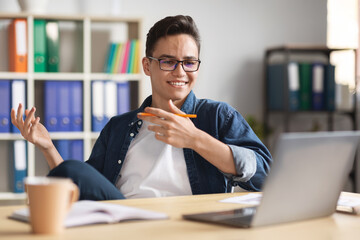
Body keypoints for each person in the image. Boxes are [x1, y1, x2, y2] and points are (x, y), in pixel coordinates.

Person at [11, 15, 272, 200]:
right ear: (147, 65)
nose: (180, 72)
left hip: (193, 225)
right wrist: (47, 146)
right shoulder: (119, 127)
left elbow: (265, 175)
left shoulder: (216, 116)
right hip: (128, 221)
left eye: (189, 62)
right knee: (69, 170)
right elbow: (82, 185)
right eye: (168, 61)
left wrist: (195, 139)